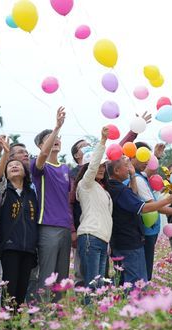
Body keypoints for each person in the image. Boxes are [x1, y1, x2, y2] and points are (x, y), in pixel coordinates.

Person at [107, 156, 172, 286]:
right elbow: (144, 208)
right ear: (117, 171)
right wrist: (167, 200)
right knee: (137, 281)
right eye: (126, 166)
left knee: (125, 278)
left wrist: (132, 176)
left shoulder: (113, 187)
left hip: (120, 240)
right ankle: (134, 304)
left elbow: (133, 195)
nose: (129, 168)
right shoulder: (120, 190)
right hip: (129, 241)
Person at [125, 141, 172, 281]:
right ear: (131, 157)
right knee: (142, 273)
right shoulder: (137, 179)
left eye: (148, 158)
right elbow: (152, 206)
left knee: (144, 269)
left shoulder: (139, 176)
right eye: (143, 158)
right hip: (144, 231)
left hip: (150, 230)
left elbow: (148, 171)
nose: (147, 162)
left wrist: (156, 156)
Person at [29, 107, 72, 302]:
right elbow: (44, 155)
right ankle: (41, 317)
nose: (55, 140)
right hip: (47, 227)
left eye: (57, 137)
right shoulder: (39, 166)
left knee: (62, 278)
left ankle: (58, 316)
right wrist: (56, 127)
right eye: (48, 139)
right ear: (40, 146)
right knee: (47, 276)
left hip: (64, 228)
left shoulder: (65, 168)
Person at [0, 158, 38, 308]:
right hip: (10, 247)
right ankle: (7, 323)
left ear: (25, 172)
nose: (14, 166)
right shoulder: (3, 192)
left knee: (22, 288)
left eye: (18, 165)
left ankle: (16, 324)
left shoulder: (32, 194)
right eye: (10, 166)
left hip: (29, 248)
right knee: (10, 288)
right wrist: (5, 153)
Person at [75, 127, 112, 291]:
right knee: (92, 283)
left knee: (100, 285)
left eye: (104, 165)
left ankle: (96, 315)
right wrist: (103, 141)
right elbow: (93, 166)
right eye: (99, 165)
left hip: (103, 239)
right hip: (91, 237)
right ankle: (89, 314)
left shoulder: (102, 189)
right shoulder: (85, 184)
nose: (102, 168)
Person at [69, 138, 90, 287]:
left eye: (89, 145)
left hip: (99, 226)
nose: (88, 148)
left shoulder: (101, 171)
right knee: (81, 269)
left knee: (100, 269)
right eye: (83, 147)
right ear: (77, 155)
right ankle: (83, 306)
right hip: (80, 226)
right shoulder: (72, 174)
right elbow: (69, 203)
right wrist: (72, 229)